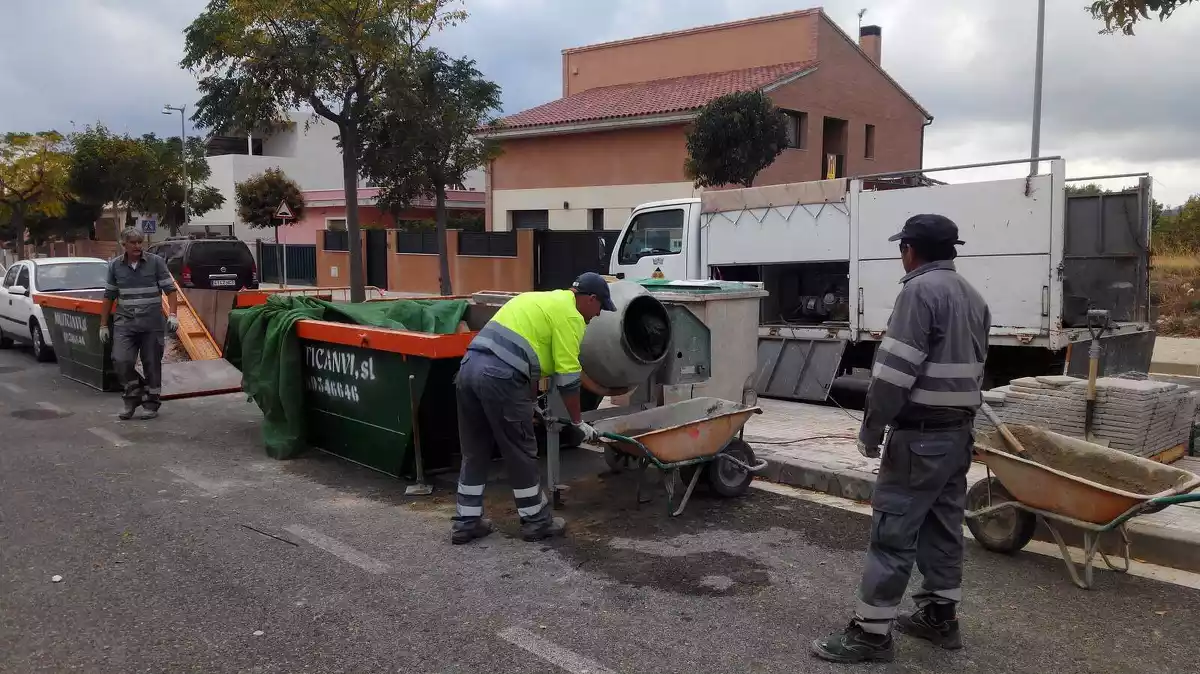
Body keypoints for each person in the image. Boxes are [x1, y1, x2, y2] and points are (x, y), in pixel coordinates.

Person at [812, 214, 991, 664]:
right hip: (957, 438)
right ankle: (939, 617)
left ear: (910, 250)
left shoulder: (917, 292)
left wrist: (871, 430)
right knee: (944, 527)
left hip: (919, 440)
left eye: (902, 249)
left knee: (893, 533)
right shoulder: (974, 297)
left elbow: (892, 375)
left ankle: (870, 635)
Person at [451, 272, 615, 545]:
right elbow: (568, 378)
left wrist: (527, 402)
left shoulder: (538, 300)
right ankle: (536, 522)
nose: (597, 315)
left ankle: (465, 523)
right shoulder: (571, 316)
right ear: (590, 299)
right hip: (501, 376)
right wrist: (577, 422)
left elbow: (525, 352)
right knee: (520, 451)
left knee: (475, 450)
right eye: (600, 307)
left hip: (468, 369)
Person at [99, 227, 179, 421]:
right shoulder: (115, 266)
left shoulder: (156, 263)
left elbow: (170, 290)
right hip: (125, 323)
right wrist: (103, 325)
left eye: (139, 242)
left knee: (152, 363)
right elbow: (109, 296)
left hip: (151, 324)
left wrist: (173, 314)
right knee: (120, 360)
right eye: (132, 242)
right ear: (123, 244)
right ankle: (133, 395)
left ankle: (151, 403)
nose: (137, 246)